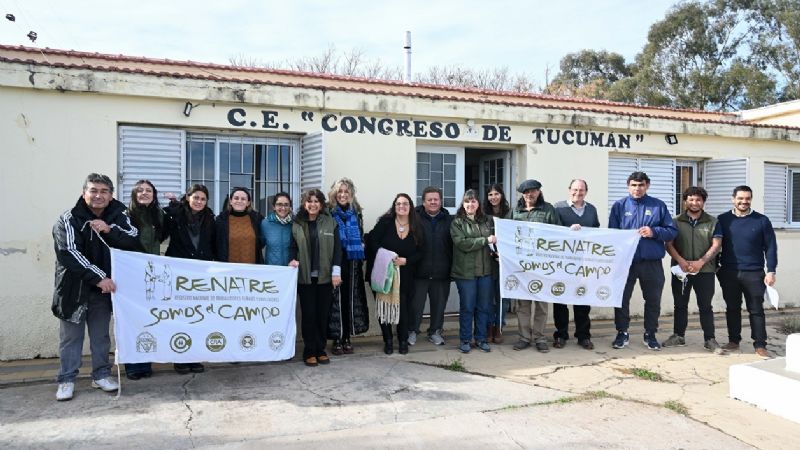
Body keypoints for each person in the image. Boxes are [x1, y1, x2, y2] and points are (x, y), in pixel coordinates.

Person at [52, 173, 142, 401]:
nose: (98, 196)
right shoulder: (69, 219)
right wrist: (99, 277)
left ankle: (101, 375)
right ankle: (66, 379)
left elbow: (133, 239)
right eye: (93, 191)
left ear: (111, 196)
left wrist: (109, 230)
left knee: (101, 336)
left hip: (102, 292)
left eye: (104, 191)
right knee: (71, 338)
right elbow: (69, 253)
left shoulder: (119, 215)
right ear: (84, 193)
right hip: (73, 289)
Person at [609, 171, 677, 351]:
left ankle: (650, 333)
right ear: (628, 186)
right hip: (626, 262)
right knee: (621, 298)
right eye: (633, 185)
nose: (637, 188)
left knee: (653, 300)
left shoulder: (658, 206)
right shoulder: (619, 206)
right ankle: (622, 332)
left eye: (641, 185)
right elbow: (612, 234)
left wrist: (654, 232)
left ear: (647, 186)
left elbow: (671, 231)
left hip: (651, 262)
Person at [714, 185, 777, 358]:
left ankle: (760, 345)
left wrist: (771, 270)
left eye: (747, 198)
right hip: (729, 272)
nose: (744, 201)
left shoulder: (762, 220)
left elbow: (771, 247)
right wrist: (717, 267)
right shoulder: (723, 219)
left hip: (754, 273)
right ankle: (734, 341)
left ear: (751, 199)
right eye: (740, 198)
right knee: (732, 308)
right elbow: (715, 245)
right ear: (733, 199)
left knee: (756, 309)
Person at [663, 187, 724, 353]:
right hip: (680, 271)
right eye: (691, 199)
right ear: (685, 201)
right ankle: (678, 336)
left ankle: (710, 339)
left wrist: (701, 262)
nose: (694, 203)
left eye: (698, 200)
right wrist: (681, 261)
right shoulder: (675, 221)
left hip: (705, 271)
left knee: (705, 306)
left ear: (703, 202)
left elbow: (716, 245)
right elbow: (669, 244)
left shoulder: (713, 222)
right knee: (680, 304)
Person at [164, 184, 215, 374]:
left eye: (203, 199)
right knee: (180, 316)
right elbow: (162, 229)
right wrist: (173, 205)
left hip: (201, 274)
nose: (199, 202)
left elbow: (212, 244)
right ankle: (180, 357)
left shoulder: (210, 218)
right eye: (196, 197)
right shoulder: (176, 215)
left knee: (198, 316)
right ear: (188, 197)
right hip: (179, 272)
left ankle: (195, 356)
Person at [289, 189, 342, 367]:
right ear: (304, 204)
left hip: (325, 278)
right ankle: (309, 351)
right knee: (309, 315)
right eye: (309, 201)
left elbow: (337, 249)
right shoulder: (297, 223)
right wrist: (292, 260)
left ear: (321, 204)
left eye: (316, 201)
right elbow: (292, 247)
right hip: (305, 278)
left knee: (322, 315)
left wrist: (336, 272)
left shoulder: (330, 222)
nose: (313, 204)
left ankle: (321, 349)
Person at [368, 193, 424, 355]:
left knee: (404, 309)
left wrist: (406, 261)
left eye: (405, 203)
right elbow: (372, 241)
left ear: (410, 207)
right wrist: (386, 256)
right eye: (398, 204)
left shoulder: (416, 226)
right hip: (383, 273)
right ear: (394, 206)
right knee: (384, 308)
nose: (401, 206)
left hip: (406, 274)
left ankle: (403, 340)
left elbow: (422, 251)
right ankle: (388, 340)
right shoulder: (385, 223)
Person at [511, 179, 561, 353]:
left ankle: (540, 338)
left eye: (533, 191)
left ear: (539, 192)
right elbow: (507, 233)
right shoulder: (515, 211)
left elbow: (558, 233)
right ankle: (524, 337)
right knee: (523, 305)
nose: (529, 194)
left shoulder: (548, 210)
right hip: (521, 265)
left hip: (542, 265)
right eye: (526, 192)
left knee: (541, 304)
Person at [124, 179, 167, 380]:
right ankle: (133, 365)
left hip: (152, 275)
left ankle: (145, 362)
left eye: (148, 190)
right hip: (131, 274)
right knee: (132, 321)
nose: (144, 193)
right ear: (134, 194)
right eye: (140, 190)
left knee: (149, 320)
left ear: (154, 195)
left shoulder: (159, 215)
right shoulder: (125, 215)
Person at [553, 179, 601, 350]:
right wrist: (568, 231)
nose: (578, 193)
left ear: (586, 192)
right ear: (569, 190)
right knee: (560, 299)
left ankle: (583, 336)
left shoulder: (591, 209)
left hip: (584, 262)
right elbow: (552, 232)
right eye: (575, 189)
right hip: (563, 262)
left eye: (581, 190)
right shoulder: (558, 208)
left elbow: (596, 231)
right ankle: (561, 335)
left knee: (583, 298)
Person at [451, 190, 497, 353]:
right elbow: (462, 243)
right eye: (467, 202)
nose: (470, 204)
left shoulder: (487, 221)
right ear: (463, 204)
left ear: (478, 204)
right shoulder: (457, 222)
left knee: (483, 307)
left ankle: (481, 339)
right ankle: (465, 339)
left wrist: (495, 250)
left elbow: (495, 241)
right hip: (466, 273)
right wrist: (485, 240)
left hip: (485, 272)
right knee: (467, 307)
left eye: (473, 201)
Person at [327, 178, 369, 355]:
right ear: (334, 194)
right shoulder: (328, 213)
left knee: (349, 299)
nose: (343, 195)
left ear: (351, 194)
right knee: (335, 301)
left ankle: (347, 337)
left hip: (352, 262)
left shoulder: (356, 213)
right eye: (340, 191)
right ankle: (336, 338)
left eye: (346, 191)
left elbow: (360, 234)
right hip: (334, 261)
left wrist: (362, 243)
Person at [412, 186, 453, 346]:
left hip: (442, 272)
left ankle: (435, 332)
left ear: (441, 201)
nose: (433, 202)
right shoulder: (414, 218)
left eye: (436, 199)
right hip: (419, 272)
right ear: (423, 202)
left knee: (439, 306)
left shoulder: (449, 220)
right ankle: (412, 331)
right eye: (429, 200)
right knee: (415, 306)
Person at [484, 183, 511, 344]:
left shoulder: (510, 213)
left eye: (496, 194)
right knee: (488, 298)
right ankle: (488, 326)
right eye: (490, 194)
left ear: (502, 195)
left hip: (505, 262)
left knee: (502, 298)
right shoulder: (482, 214)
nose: (493, 197)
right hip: (487, 261)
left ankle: (499, 327)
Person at [215, 187, 264, 264]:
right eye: (236, 198)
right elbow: (215, 244)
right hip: (228, 268)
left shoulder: (257, 219)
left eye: (243, 199)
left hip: (252, 268)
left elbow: (262, 241)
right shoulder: (221, 220)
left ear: (248, 203)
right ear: (230, 201)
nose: (239, 201)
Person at [261, 192, 293, 266]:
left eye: (286, 205)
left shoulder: (295, 224)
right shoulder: (265, 223)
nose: (283, 208)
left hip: (291, 269)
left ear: (290, 207)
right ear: (274, 207)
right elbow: (259, 245)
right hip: (272, 269)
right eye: (279, 204)